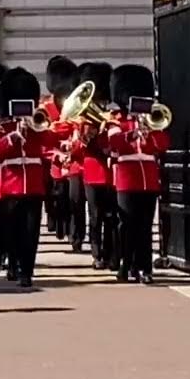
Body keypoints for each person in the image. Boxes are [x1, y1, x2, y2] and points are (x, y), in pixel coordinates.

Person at [0, 68, 57, 287]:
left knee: (31, 233)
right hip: (10, 187)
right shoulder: (2, 127)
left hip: (33, 186)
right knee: (12, 231)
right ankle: (13, 265)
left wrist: (36, 128)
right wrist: (14, 136)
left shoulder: (36, 125)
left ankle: (26, 271)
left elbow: (52, 140)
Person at [107, 65, 170, 285]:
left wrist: (149, 132)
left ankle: (145, 268)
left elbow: (162, 145)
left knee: (144, 227)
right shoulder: (117, 120)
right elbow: (114, 143)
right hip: (126, 178)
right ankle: (125, 264)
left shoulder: (152, 120)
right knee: (127, 225)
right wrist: (132, 133)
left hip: (149, 180)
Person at [72, 61, 116, 271]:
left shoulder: (112, 116)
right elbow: (81, 149)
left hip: (112, 174)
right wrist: (95, 131)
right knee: (96, 216)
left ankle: (112, 253)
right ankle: (97, 253)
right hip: (93, 173)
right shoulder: (85, 120)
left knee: (112, 216)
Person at [44, 55, 84, 252]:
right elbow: (44, 137)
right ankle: (58, 222)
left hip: (74, 160)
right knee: (58, 198)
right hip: (55, 162)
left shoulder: (76, 106)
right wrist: (56, 154)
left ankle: (75, 236)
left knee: (75, 200)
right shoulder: (45, 108)